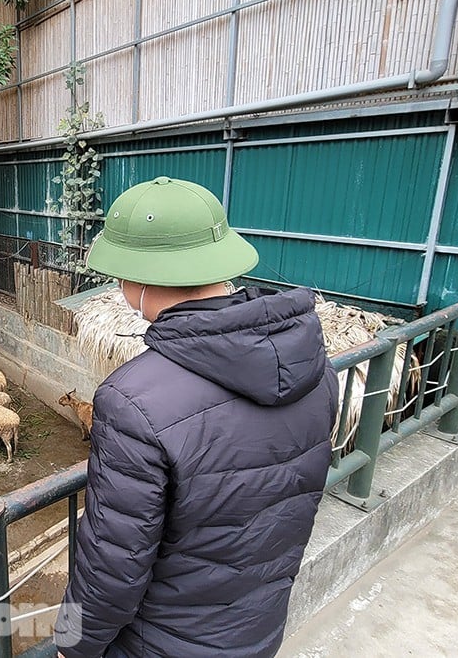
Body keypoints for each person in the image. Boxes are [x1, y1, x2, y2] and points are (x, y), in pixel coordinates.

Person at [53, 177, 339, 657]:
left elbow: (112, 562)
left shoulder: (131, 401)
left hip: (163, 641)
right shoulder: (314, 367)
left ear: (136, 279)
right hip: (259, 626)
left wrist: (72, 643)